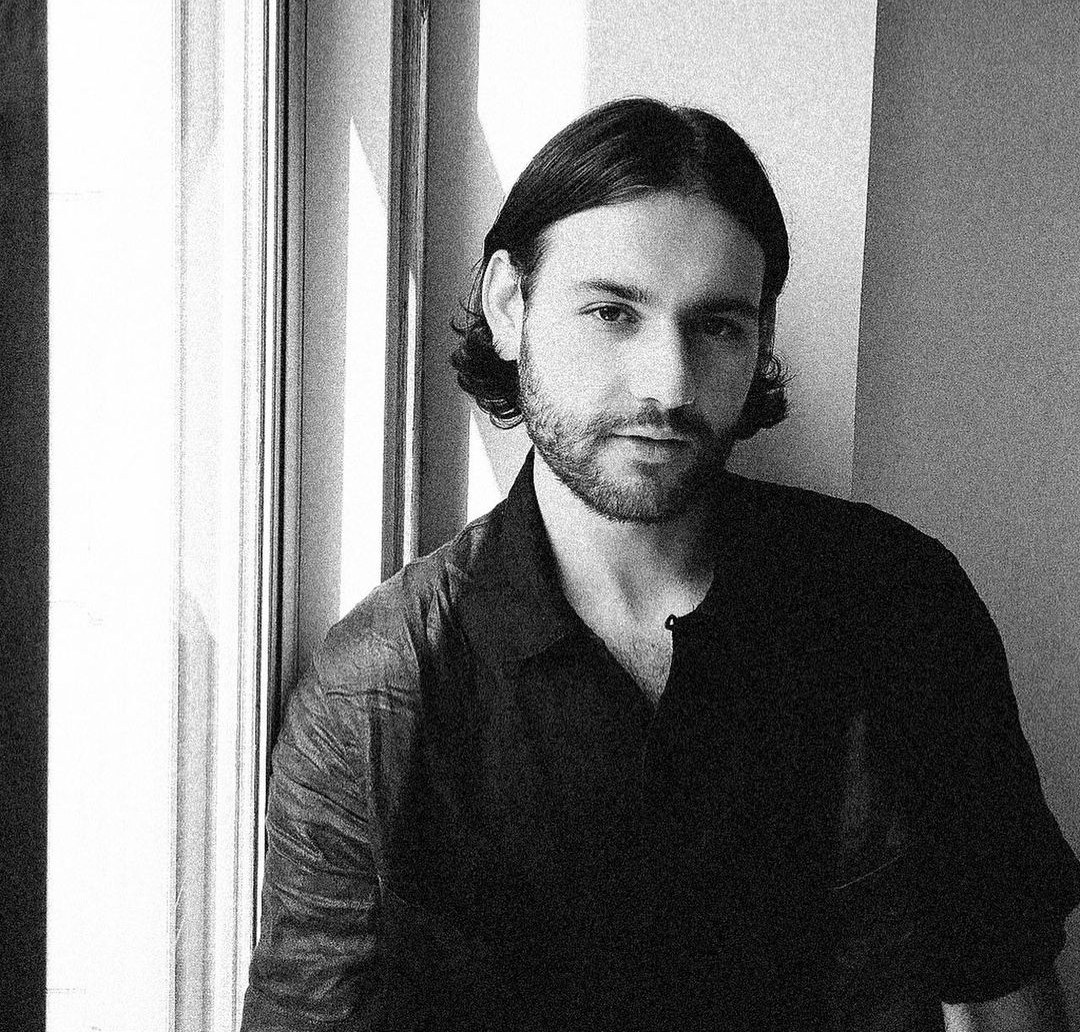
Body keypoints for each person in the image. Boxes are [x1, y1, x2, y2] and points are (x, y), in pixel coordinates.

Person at [241, 98, 1080, 1031]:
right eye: (613, 312)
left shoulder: (896, 603)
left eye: (717, 326)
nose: (669, 385)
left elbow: (1001, 982)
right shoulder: (383, 688)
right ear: (510, 304)